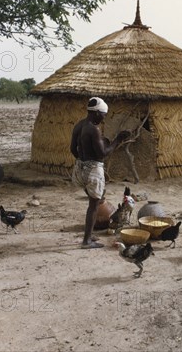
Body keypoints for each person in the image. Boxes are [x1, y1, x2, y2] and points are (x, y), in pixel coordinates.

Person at [70, 97, 120, 249]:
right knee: (93, 205)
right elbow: (102, 153)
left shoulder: (79, 125)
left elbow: (73, 149)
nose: (103, 118)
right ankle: (86, 241)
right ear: (97, 113)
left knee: (95, 202)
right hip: (93, 171)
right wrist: (118, 140)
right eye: (103, 115)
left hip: (79, 169)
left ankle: (89, 234)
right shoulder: (94, 129)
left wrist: (83, 161)